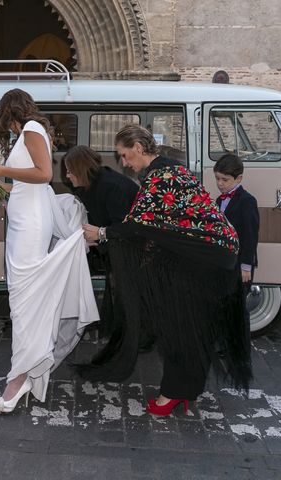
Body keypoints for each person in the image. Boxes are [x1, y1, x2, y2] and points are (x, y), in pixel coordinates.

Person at [77, 124, 252, 416]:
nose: (123, 162)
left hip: (206, 260)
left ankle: (173, 394)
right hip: (214, 256)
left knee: (180, 326)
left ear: (137, 147)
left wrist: (102, 233)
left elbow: (139, 225)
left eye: (123, 155)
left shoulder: (161, 176)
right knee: (194, 327)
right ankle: (185, 392)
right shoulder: (171, 170)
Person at [0, 89, 99, 413]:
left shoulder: (32, 130)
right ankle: (28, 372)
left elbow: (45, 175)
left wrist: (1, 170)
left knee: (25, 302)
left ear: (9, 111)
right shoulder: (28, 134)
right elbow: (25, 185)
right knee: (22, 300)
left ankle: (18, 380)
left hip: (31, 226)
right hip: (24, 220)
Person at [63, 146, 140, 340]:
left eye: (70, 170)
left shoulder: (113, 187)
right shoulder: (92, 184)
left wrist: (98, 236)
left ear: (80, 169)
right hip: (114, 247)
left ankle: (128, 335)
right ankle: (115, 329)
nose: (67, 175)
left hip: (132, 249)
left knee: (122, 290)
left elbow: (123, 228)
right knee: (115, 286)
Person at [214, 153, 259, 346]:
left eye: (225, 180)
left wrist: (246, 266)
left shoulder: (247, 201)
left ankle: (240, 347)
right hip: (224, 263)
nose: (220, 184)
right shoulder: (219, 200)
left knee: (238, 307)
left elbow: (250, 236)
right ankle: (224, 343)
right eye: (217, 179)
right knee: (223, 304)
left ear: (238, 178)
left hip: (240, 264)